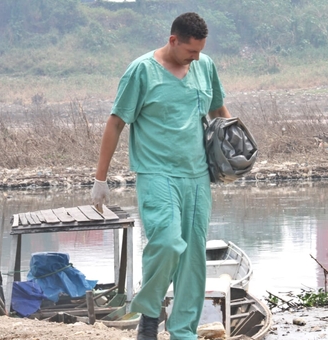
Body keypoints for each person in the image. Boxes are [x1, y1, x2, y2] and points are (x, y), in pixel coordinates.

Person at [91, 12, 231, 340]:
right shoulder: (142, 71)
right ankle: (150, 312)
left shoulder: (205, 66)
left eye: (200, 51)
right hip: (157, 174)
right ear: (172, 41)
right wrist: (101, 178)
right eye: (190, 52)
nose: (196, 58)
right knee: (167, 243)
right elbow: (115, 122)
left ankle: (183, 331)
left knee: (193, 256)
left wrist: (238, 142)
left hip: (197, 176)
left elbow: (218, 109)